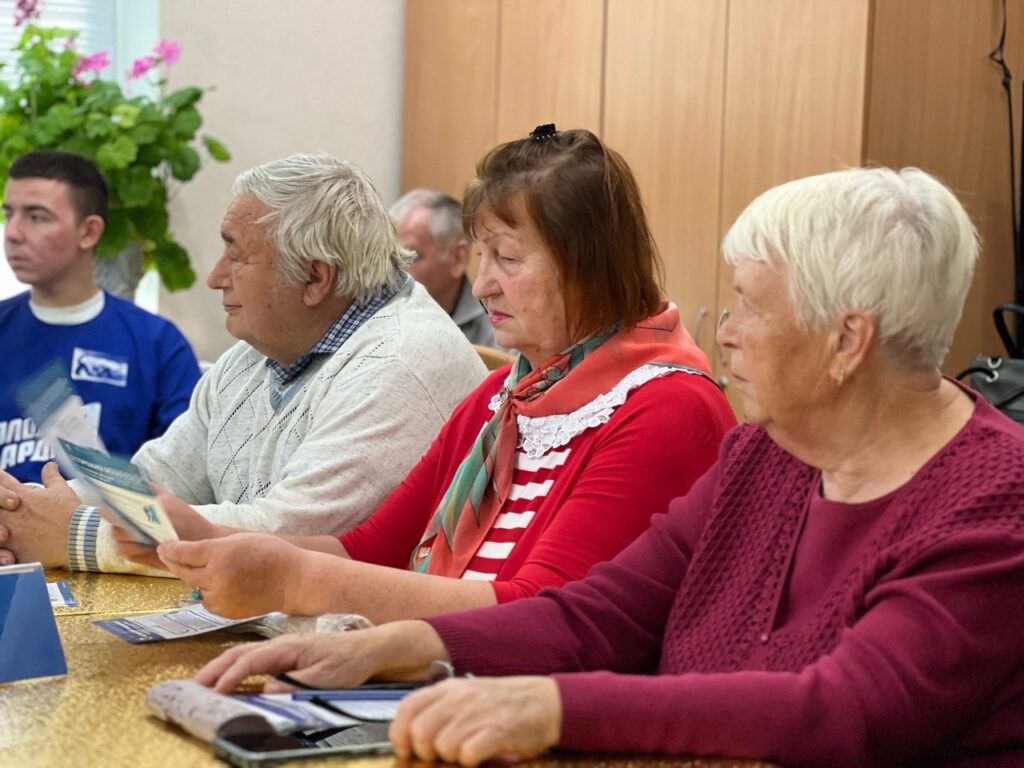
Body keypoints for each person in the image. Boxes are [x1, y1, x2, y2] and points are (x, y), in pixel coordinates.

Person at [197, 167, 1024, 767]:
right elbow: (600, 614)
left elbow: (844, 711)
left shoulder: (993, 502)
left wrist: (552, 706)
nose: (724, 331)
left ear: (847, 341)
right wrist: (400, 645)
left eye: (747, 305)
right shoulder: (764, 455)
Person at [115, 125, 736, 623]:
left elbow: (548, 619)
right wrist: (205, 534)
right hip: (458, 687)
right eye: (481, 257)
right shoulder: (505, 396)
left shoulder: (664, 408)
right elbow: (369, 549)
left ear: (589, 266)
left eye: (509, 259)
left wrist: (294, 578)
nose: (484, 284)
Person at [0, 153, 486, 572]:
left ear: (315, 278)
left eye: (235, 254)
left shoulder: (398, 363)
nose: (214, 277)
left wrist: (74, 534)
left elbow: (286, 536)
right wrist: (23, 511)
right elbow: (161, 475)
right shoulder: (258, 350)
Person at [0, 150, 200, 483]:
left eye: (36, 217)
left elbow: (186, 478)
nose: (13, 233)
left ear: (89, 232)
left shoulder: (157, 344)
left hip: (104, 530)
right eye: (10, 213)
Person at [390, 188, 498, 348]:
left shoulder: (498, 328)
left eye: (409, 258)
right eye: (390, 259)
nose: (393, 273)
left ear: (458, 258)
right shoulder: (380, 316)